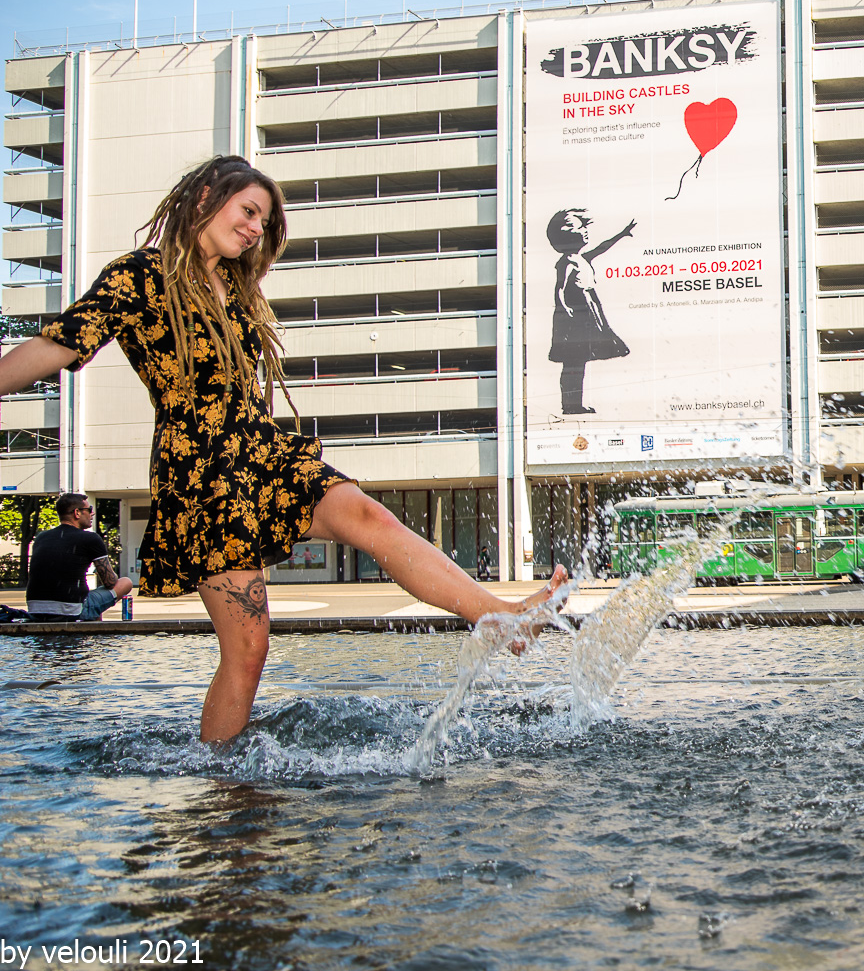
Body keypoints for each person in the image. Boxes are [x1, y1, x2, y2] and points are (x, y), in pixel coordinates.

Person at [0, 156, 567, 743]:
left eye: (263, 222)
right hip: (203, 473)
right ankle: (221, 784)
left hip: (261, 448)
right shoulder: (141, 276)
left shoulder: (238, 290)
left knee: (368, 514)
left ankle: (493, 615)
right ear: (203, 198)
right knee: (248, 650)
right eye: (248, 211)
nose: (254, 229)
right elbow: (58, 344)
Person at [546, 208, 636, 415]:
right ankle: (571, 405)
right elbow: (559, 289)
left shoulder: (582, 257)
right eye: (581, 228)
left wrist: (622, 234)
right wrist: (563, 309)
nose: (586, 231)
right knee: (573, 363)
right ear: (567, 234)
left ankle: (574, 404)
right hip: (574, 315)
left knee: (580, 361)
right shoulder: (566, 262)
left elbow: (603, 247)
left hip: (587, 312)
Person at [24, 492, 134, 623]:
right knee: (125, 582)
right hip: (72, 611)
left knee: (89, 596)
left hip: (36, 611)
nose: (92, 514)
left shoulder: (41, 537)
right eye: (89, 510)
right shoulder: (90, 538)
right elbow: (109, 582)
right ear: (77, 513)